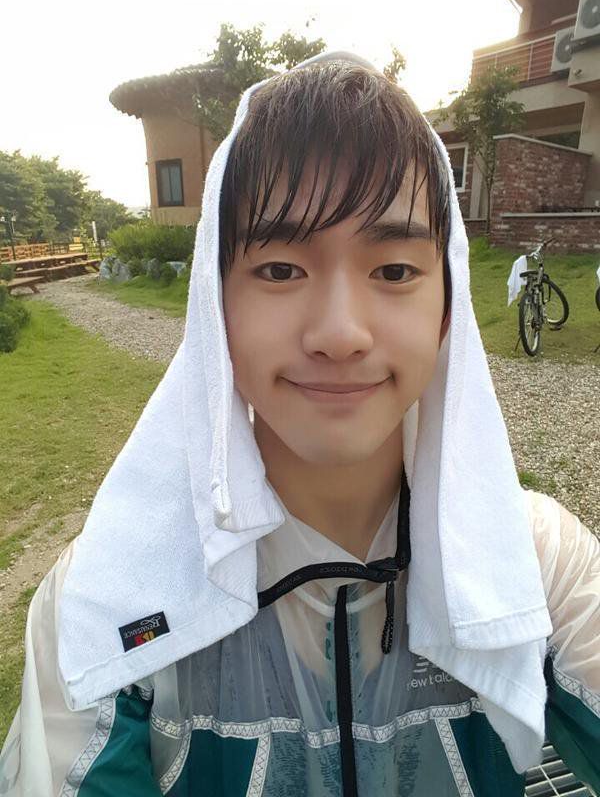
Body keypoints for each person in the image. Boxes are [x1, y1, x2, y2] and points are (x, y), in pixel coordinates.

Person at [1, 51, 599, 797]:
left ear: (449, 308)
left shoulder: (540, 564)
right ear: (214, 307)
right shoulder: (110, 598)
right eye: (280, 270)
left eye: (394, 271)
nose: (340, 333)